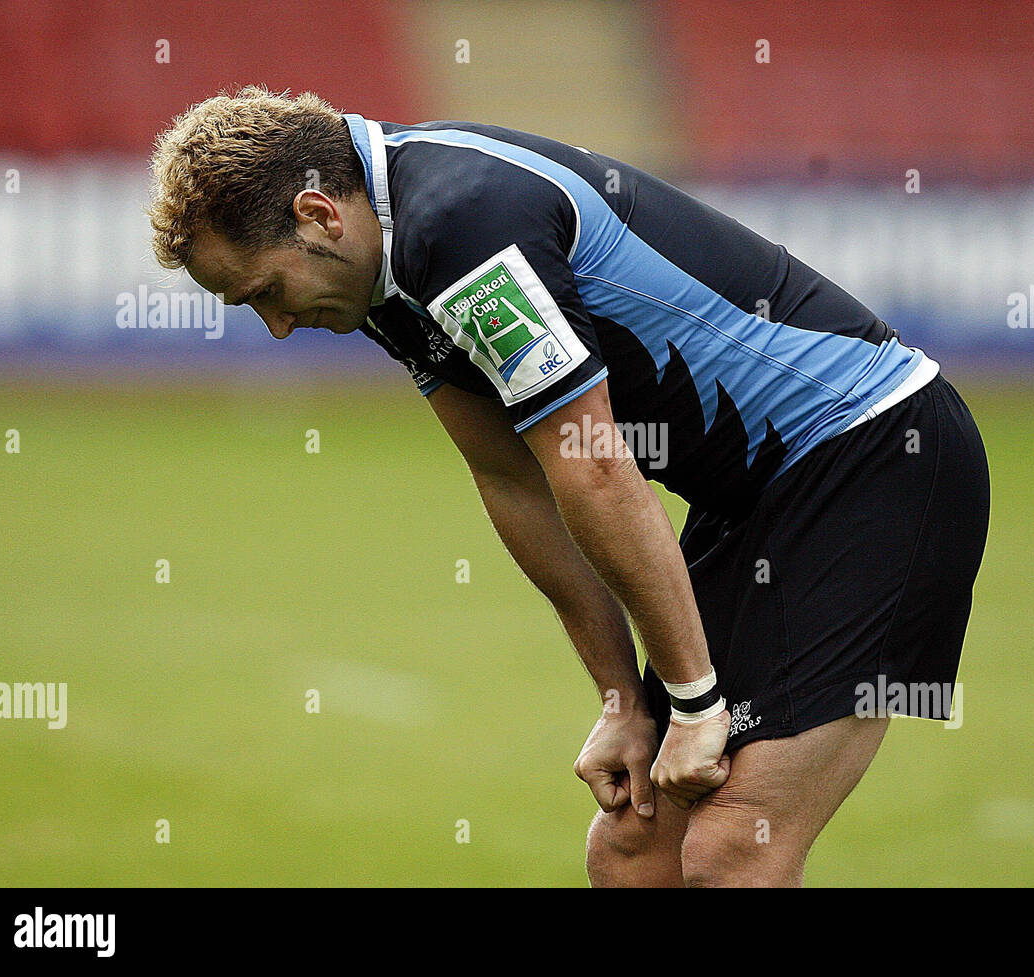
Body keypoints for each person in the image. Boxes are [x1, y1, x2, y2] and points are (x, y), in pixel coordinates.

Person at [149, 86, 990, 887]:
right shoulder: (379, 273)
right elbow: (510, 477)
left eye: (265, 291)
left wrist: (694, 701)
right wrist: (622, 697)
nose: (278, 326)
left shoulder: (460, 224)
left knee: (736, 849)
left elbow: (589, 459)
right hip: (756, 500)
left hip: (879, 455)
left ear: (317, 215)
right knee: (634, 853)